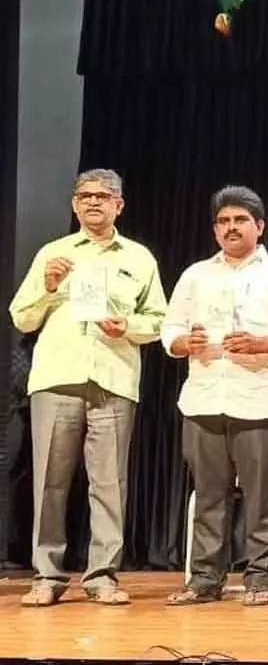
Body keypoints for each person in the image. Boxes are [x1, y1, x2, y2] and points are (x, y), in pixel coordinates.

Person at [8, 168, 167, 606]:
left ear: (119, 204)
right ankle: (47, 574)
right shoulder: (52, 254)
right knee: (50, 481)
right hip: (58, 376)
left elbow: (158, 321)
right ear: (75, 205)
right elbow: (22, 317)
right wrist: (48, 287)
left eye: (103, 195)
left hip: (113, 378)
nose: (93, 202)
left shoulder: (138, 258)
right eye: (84, 196)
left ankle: (102, 575)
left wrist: (128, 326)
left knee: (109, 482)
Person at [162, 185, 268, 606]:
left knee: (261, 495)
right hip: (203, 398)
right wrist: (184, 344)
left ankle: (260, 577)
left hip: (259, 400)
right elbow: (170, 329)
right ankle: (204, 580)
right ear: (215, 230)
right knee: (209, 495)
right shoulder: (196, 274)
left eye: (240, 220)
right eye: (224, 221)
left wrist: (265, 344)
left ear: (260, 226)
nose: (231, 228)